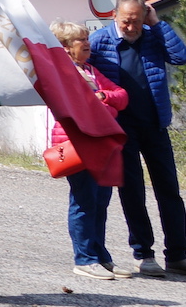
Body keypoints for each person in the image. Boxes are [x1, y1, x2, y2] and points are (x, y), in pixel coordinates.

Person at [88, 0, 186, 279]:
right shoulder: (99, 42)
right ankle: (143, 254)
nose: (131, 26)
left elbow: (182, 58)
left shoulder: (153, 35)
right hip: (121, 129)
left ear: (145, 17)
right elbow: (82, 74)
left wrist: (158, 25)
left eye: (137, 20)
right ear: (114, 16)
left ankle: (178, 256)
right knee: (132, 192)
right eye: (126, 21)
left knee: (169, 191)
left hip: (155, 125)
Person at [47, 21, 129, 282]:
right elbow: (79, 107)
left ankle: (100, 255)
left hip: (101, 142)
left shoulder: (90, 70)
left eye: (86, 38)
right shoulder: (62, 73)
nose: (87, 43)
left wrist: (104, 99)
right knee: (83, 200)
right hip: (79, 143)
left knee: (101, 201)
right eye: (80, 39)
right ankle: (84, 259)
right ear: (65, 47)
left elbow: (121, 96)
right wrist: (106, 106)